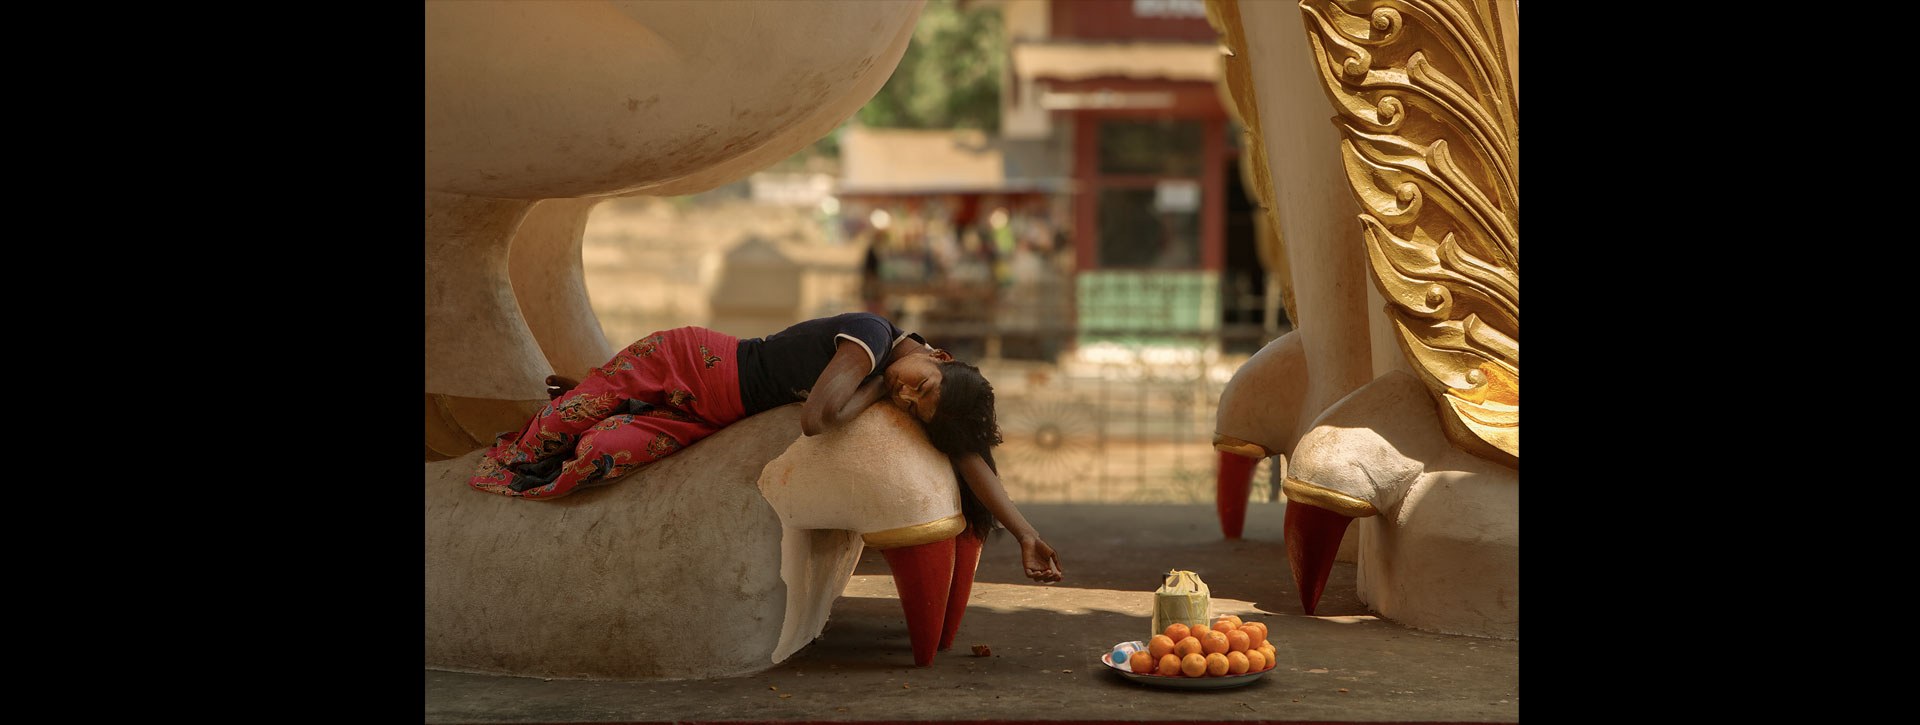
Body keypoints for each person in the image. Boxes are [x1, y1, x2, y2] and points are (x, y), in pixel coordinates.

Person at [469, 312, 1065, 583]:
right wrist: (880, 385)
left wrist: (1024, 532)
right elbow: (817, 418)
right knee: (548, 435)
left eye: (913, 407)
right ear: (940, 357)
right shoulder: (870, 342)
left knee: (599, 456)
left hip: (710, 416)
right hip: (687, 362)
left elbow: (967, 454)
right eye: (921, 387)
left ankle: (598, 398)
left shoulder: (893, 372)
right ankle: (584, 396)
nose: (907, 397)